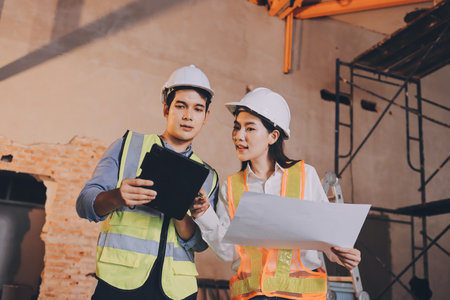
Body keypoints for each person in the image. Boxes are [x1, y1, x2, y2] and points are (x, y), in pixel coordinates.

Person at [190, 87, 361, 300]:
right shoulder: (232, 186)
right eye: (237, 127)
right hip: (253, 296)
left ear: (273, 136)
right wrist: (203, 214)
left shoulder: (305, 176)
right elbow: (227, 252)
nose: (239, 136)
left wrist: (343, 253)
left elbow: (326, 237)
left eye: (250, 129)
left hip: (301, 296)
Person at [76, 65, 219, 300]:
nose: (188, 116)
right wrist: (118, 196)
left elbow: (201, 244)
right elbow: (84, 204)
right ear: (166, 108)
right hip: (120, 282)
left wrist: (181, 212)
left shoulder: (208, 175)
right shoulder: (127, 146)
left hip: (177, 291)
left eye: (198, 109)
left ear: (206, 117)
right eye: (180, 105)